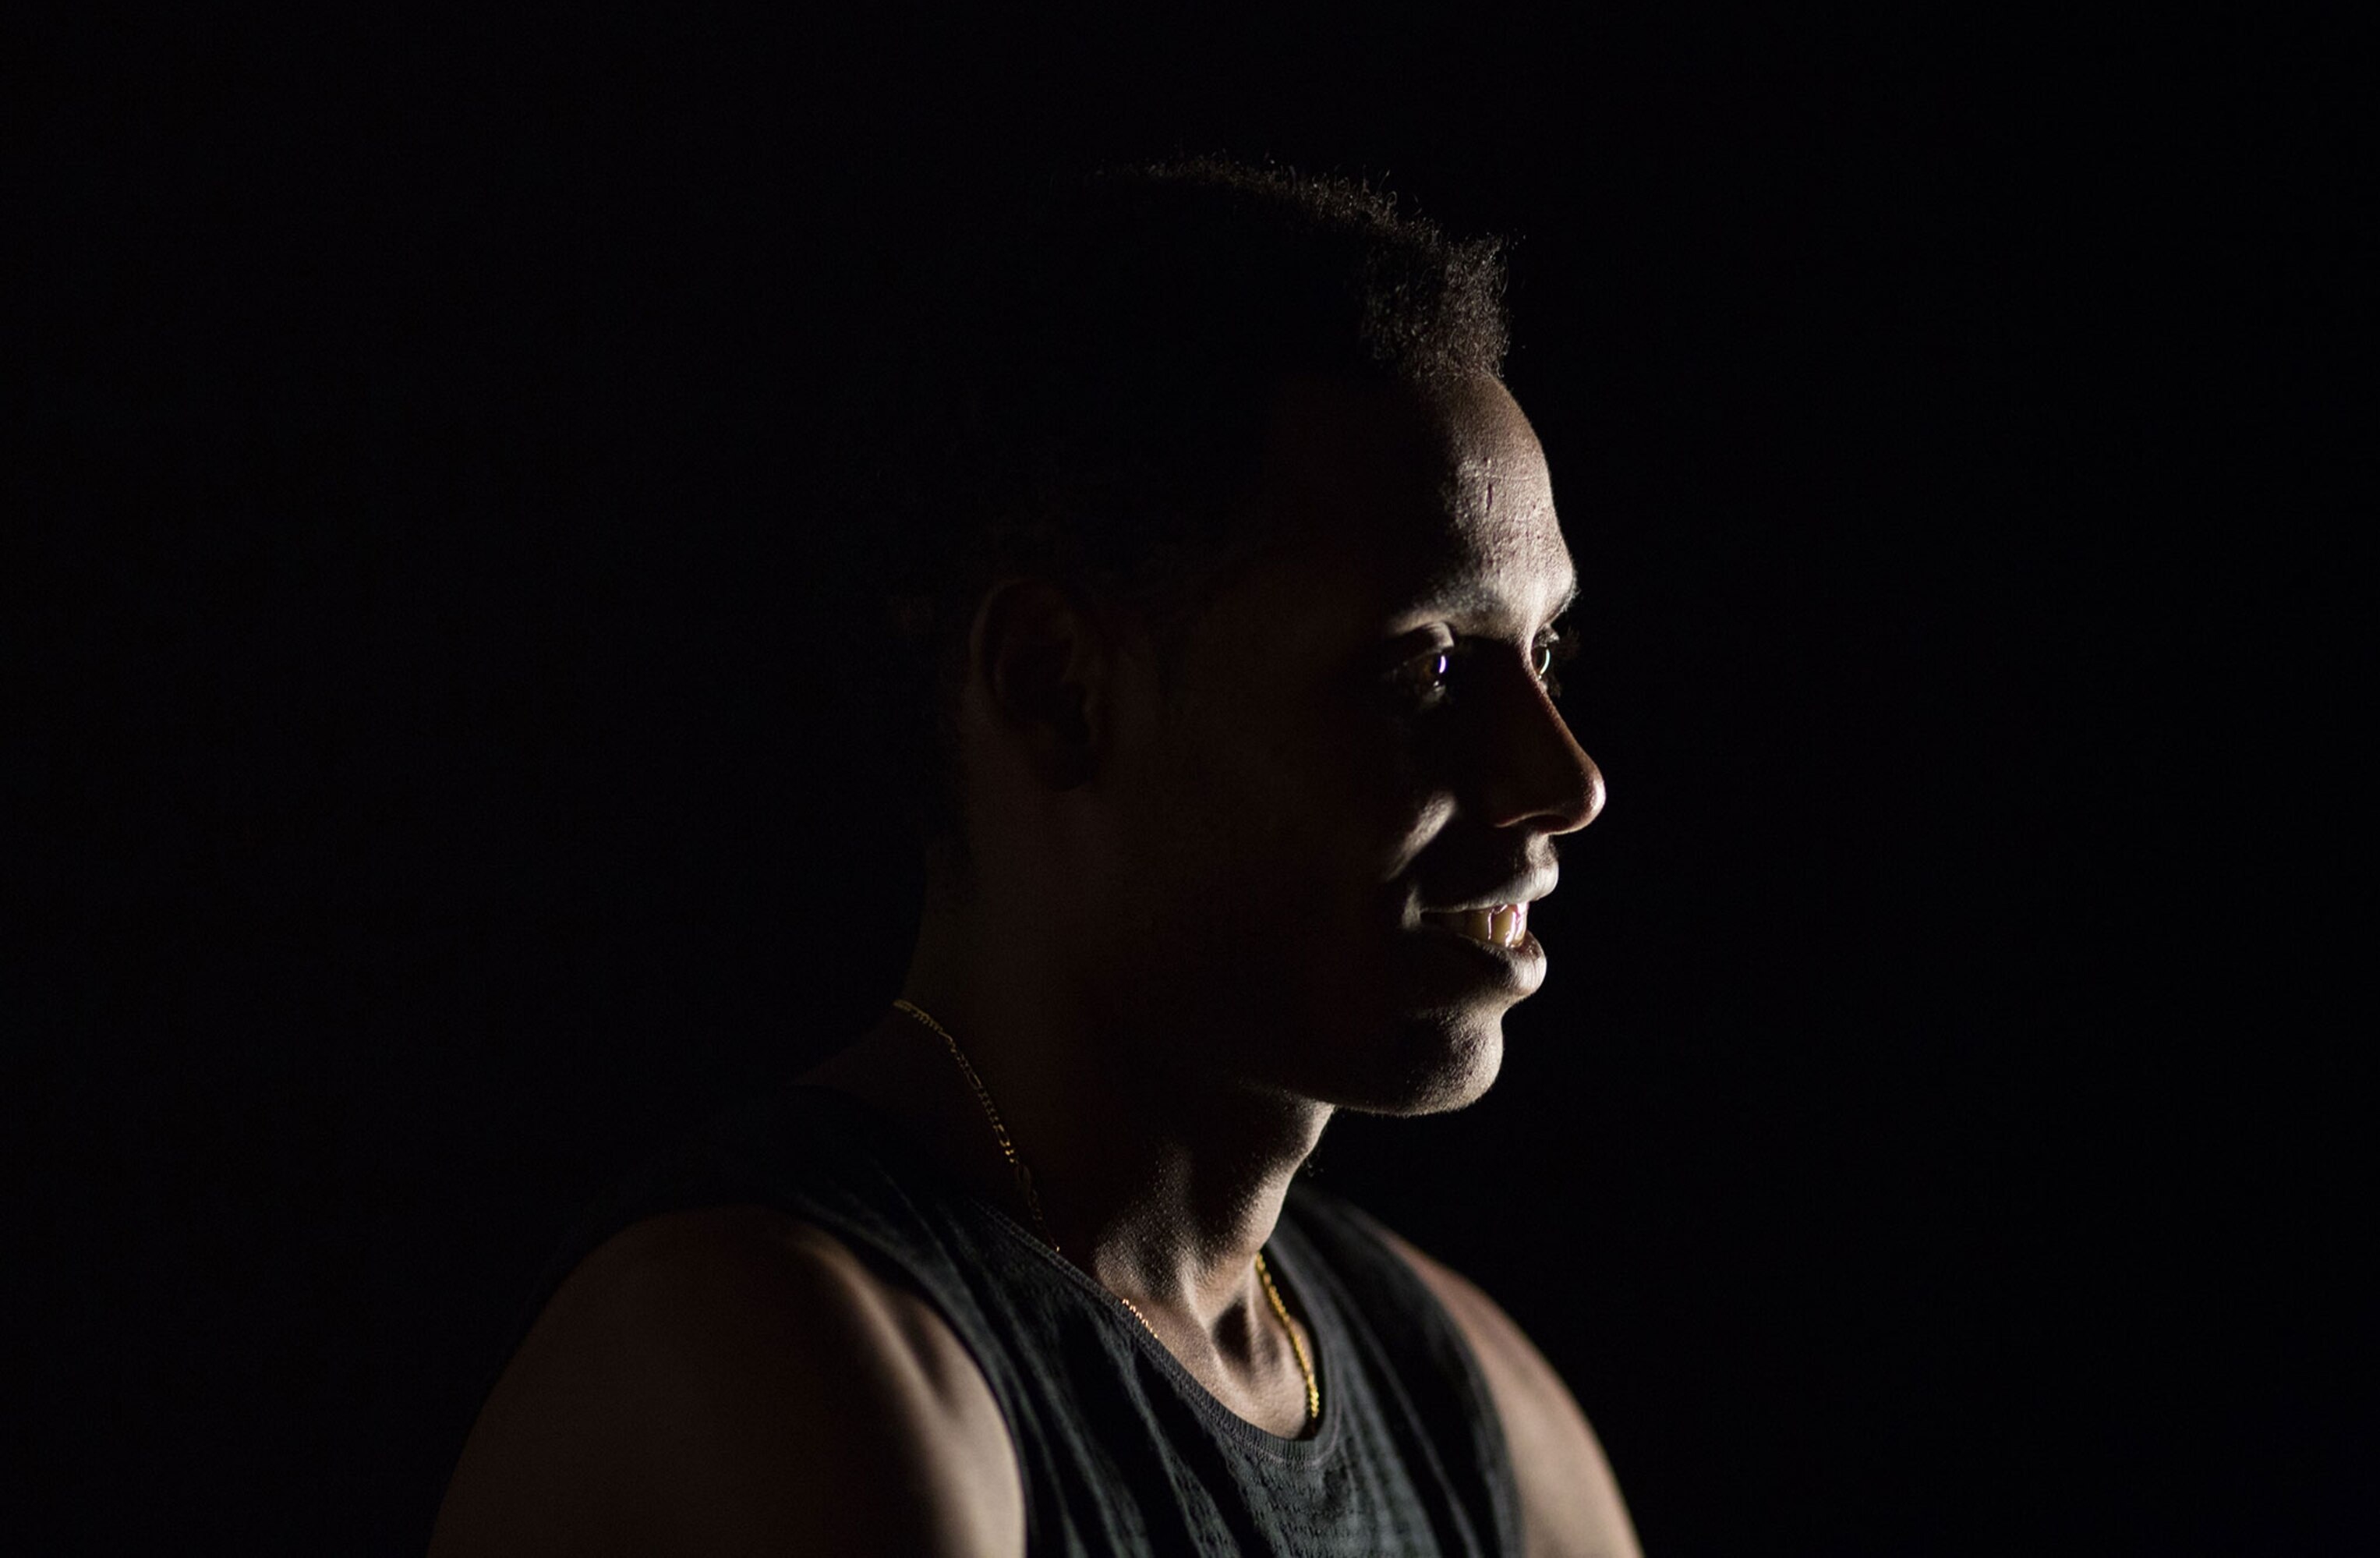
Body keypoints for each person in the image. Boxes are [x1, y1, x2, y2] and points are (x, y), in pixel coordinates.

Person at [428, 159, 1639, 1556]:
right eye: (1426, 669)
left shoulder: (1466, 1397)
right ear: (1058, 691)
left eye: (1545, 652)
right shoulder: (772, 1353)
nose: (1567, 782)